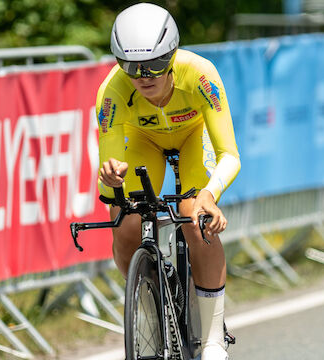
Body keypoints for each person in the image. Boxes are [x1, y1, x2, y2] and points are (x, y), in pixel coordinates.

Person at [96, 3, 240, 359]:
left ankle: (212, 340)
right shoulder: (111, 93)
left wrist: (210, 194)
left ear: (172, 56)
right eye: (130, 67)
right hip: (144, 142)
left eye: (156, 64)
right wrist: (110, 176)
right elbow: (108, 179)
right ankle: (145, 307)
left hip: (193, 137)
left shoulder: (200, 74)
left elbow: (230, 155)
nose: (144, 76)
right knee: (127, 223)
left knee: (194, 217)